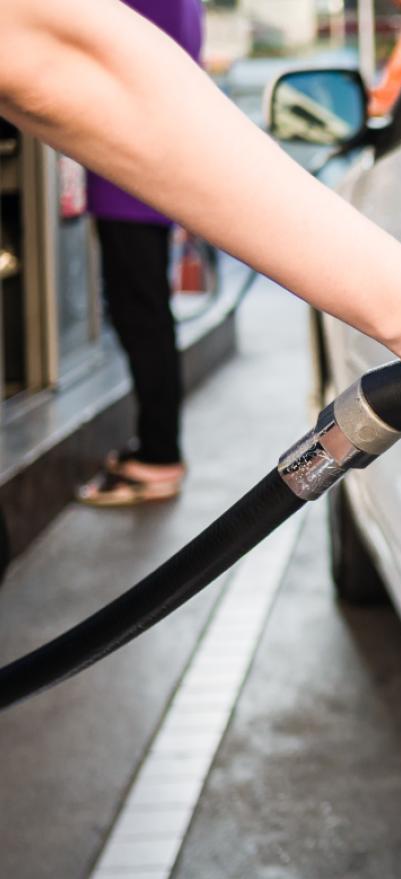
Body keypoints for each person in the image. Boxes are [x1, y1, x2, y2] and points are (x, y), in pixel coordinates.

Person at [0, 0, 401, 474]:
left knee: (141, 310)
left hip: (127, 189)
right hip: (137, 186)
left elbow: (59, 60)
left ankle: (158, 452)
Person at [78, 0, 204, 506]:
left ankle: (157, 457)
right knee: (145, 314)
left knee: (141, 316)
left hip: (128, 167)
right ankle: (156, 448)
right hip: (145, 164)